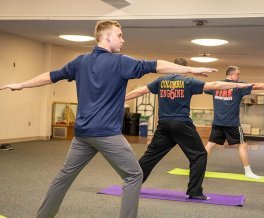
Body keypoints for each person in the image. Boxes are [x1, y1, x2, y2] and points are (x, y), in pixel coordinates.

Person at [0, 21, 217, 218]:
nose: (123, 39)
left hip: (83, 134)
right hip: (107, 134)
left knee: (64, 176)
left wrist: (22, 84)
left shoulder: (80, 61)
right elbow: (156, 65)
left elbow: (51, 75)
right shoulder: (121, 62)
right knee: (134, 175)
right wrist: (190, 69)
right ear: (106, 37)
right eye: (120, 35)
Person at [125, 58, 252, 200]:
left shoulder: (161, 80)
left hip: (164, 124)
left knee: (151, 156)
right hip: (182, 124)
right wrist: (239, 85)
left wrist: (122, 99)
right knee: (199, 155)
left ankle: (132, 184)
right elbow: (214, 85)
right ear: (184, 69)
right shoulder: (188, 82)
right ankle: (195, 191)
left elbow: (141, 90)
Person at [204, 65, 264, 179]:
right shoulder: (238, 86)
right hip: (232, 124)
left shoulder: (217, 85)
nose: (239, 76)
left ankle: (198, 168)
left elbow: (204, 87)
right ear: (232, 75)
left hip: (217, 122)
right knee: (242, 145)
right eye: (237, 74)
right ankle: (248, 171)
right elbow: (257, 85)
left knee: (210, 144)